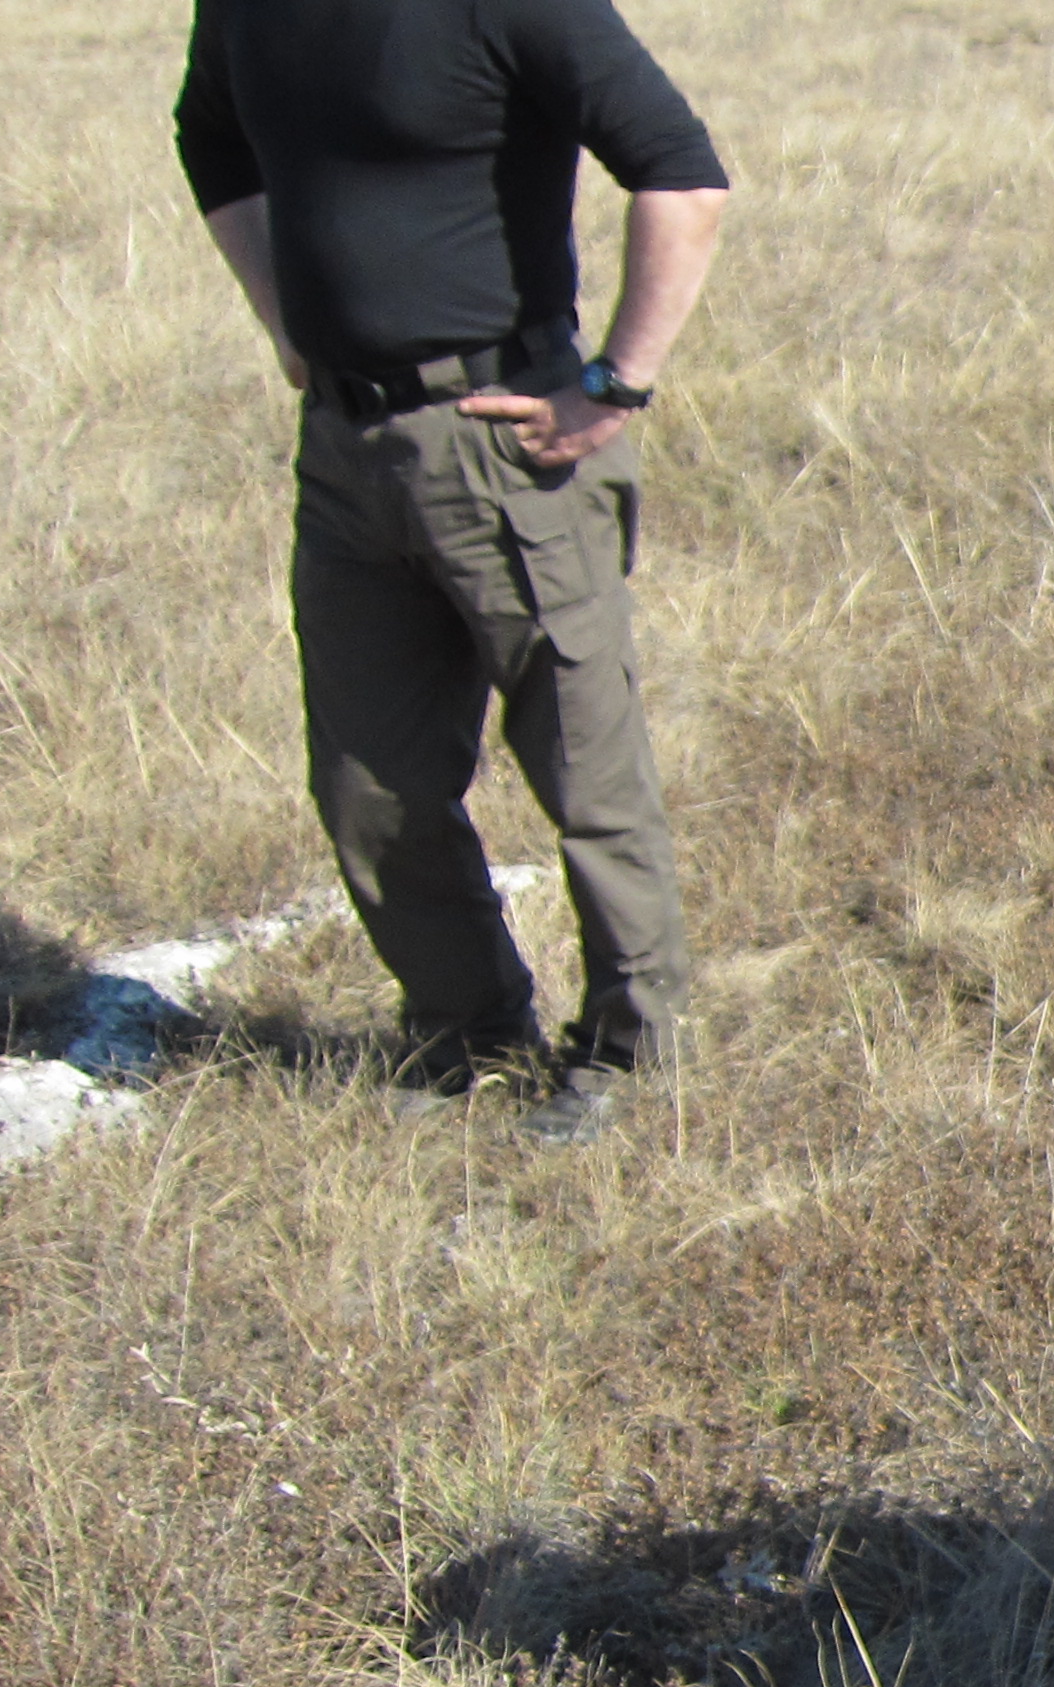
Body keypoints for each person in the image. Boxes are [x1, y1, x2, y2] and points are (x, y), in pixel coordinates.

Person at [175, 0, 731, 1143]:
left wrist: (616, 383)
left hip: (506, 442)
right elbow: (211, 138)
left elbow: (682, 173)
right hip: (345, 448)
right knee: (368, 786)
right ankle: (468, 1028)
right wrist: (282, 318)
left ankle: (631, 1053)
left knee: (585, 772)